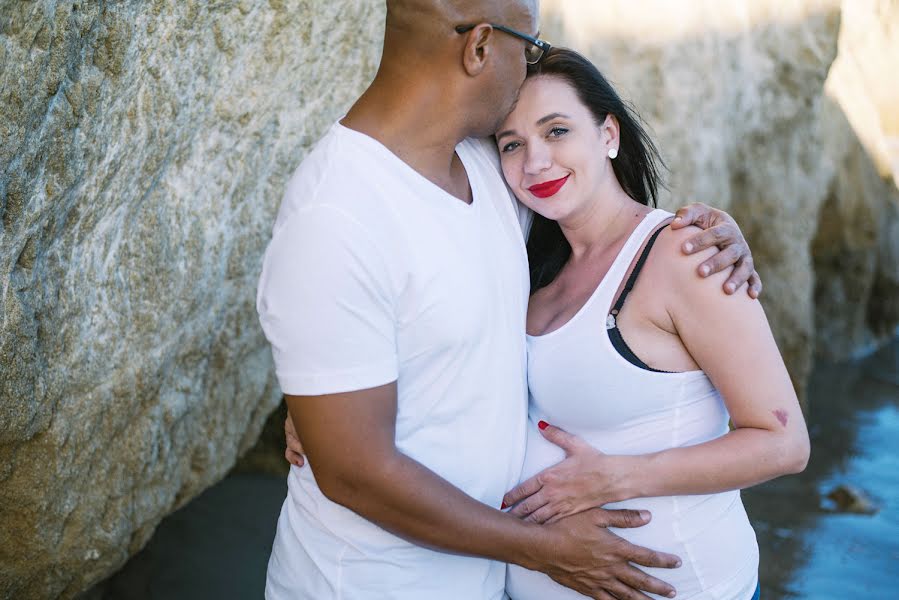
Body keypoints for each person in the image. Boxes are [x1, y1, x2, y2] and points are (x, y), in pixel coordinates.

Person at [261, 2, 761, 599]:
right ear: (479, 47)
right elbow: (352, 473)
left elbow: (594, 230)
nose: (531, 64)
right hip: (372, 583)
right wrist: (546, 550)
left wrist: (715, 234)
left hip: (486, 581)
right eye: (528, 45)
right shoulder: (335, 216)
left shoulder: (486, 165)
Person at [491, 48, 810, 599]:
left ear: (608, 135)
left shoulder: (684, 255)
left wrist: (615, 478)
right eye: (512, 144)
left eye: (557, 130)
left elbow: (783, 443)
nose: (535, 161)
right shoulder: (529, 271)